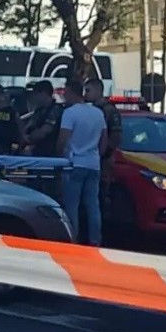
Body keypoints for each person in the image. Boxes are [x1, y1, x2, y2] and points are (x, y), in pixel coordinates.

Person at [57, 80, 108, 246]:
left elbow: (63, 138)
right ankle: (95, 239)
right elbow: (104, 141)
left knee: (72, 205)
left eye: (66, 92)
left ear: (72, 92)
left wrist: (60, 155)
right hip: (93, 164)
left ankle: (73, 238)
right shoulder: (98, 113)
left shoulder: (70, 113)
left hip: (74, 163)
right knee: (93, 204)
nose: (64, 95)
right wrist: (96, 156)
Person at [84, 79, 123, 216]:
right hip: (91, 157)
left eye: (88, 90)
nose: (85, 94)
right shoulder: (91, 110)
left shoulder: (109, 110)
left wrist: (105, 154)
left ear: (98, 90)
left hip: (103, 159)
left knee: (102, 194)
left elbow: (116, 135)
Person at [23, 80, 64, 157]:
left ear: (43, 93)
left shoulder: (55, 110)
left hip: (49, 154)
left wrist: (28, 138)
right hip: (36, 151)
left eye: (35, 93)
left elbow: (44, 131)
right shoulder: (39, 111)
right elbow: (29, 126)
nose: (33, 97)